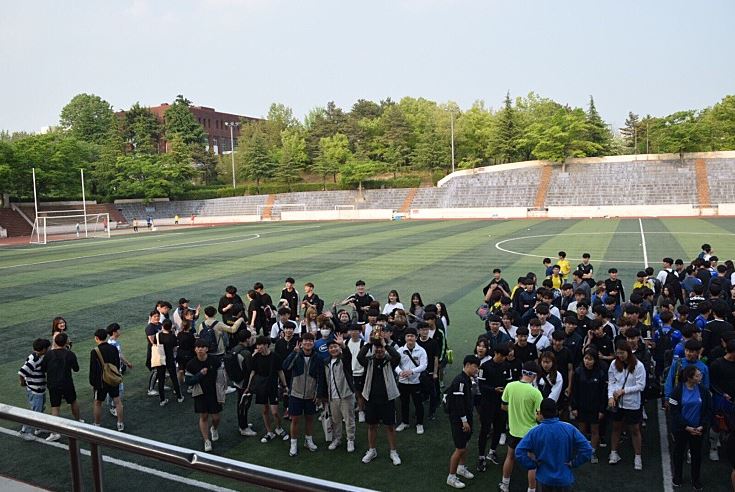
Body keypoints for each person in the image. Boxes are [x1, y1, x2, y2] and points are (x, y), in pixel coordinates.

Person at [515, 398, 593, 492]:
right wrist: (574, 463)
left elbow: (519, 451)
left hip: (544, 479)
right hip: (564, 479)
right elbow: (587, 450)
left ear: (541, 413)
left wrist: (532, 465)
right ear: (556, 411)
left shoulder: (535, 432)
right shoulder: (569, 428)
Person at [498, 361, 544, 492]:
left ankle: (505, 485)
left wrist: (514, 410)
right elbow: (539, 417)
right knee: (532, 462)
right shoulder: (536, 393)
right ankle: (531, 490)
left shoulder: (510, 386)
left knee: (510, 457)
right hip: (530, 433)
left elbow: (503, 406)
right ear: (534, 376)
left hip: (514, 431)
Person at [357, 338, 402, 466]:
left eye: (381, 347)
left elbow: (397, 356)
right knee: (372, 425)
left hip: (388, 398)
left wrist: (385, 344)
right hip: (371, 399)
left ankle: (393, 452)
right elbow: (360, 356)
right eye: (376, 347)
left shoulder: (390, 361)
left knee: (390, 426)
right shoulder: (369, 361)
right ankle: (372, 450)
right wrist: (370, 343)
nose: (379, 350)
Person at [668, 365, 711, 491]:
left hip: (698, 429)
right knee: (678, 453)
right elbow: (674, 412)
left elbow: (708, 410)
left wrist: (702, 425)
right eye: (697, 375)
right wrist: (686, 426)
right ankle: (677, 476)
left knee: (697, 455)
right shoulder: (677, 391)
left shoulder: (704, 391)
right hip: (682, 430)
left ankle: (696, 479)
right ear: (689, 378)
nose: (701, 377)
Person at [607, 340, 646, 469]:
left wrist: (624, 391)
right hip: (618, 402)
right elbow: (611, 382)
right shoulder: (614, 364)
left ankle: (638, 456)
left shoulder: (638, 366)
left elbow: (641, 385)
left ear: (628, 352)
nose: (620, 356)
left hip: (632, 403)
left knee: (635, 429)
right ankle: (613, 452)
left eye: (622, 353)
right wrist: (610, 397)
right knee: (616, 427)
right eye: (618, 353)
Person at [283, 332, 321, 456]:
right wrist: (294, 353)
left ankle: (308, 440)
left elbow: (321, 377)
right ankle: (293, 444)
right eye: (305, 341)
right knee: (295, 420)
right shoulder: (296, 355)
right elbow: (286, 367)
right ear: (301, 343)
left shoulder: (317, 357)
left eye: (310, 341)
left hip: (311, 395)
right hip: (295, 393)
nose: (308, 343)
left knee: (310, 419)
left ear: (313, 343)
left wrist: (318, 393)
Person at [445, 355, 480, 489]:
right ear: (468, 365)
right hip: (459, 419)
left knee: (464, 445)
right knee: (460, 448)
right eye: (475, 367)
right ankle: (451, 477)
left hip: (465, 417)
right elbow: (458, 403)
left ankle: (461, 468)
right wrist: (464, 421)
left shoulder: (467, 379)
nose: (477, 370)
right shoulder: (460, 381)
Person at [317, 334, 357, 452]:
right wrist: (323, 395)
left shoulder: (344, 359)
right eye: (331, 347)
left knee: (349, 419)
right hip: (332, 396)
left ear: (339, 348)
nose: (333, 349)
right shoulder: (326, 362)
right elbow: (323, 380)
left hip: (346, 394)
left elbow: (348, 356)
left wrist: (343, 345)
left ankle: (350, 439)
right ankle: (337, 439)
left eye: (335, 347)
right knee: (335, 420)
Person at [247, 336, 288, 443]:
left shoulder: (275, 356)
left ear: (266, 345)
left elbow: (280, 371)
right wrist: (248, 386)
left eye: (260, 345)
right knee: (265, 410)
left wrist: (285, 385)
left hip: (273, 386)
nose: (258, 347)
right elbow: (252, 372)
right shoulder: (256, 357)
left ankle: (279, 428)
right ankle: (269, 432)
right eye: (257, 345)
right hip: (261, 386)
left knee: (274, 412)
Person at [42, 332, 81, 441]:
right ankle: (78, 421)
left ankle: (55, 432)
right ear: (66, 342)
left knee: (55, 406)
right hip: (67, 382)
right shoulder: (70, 354)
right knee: (73, 401)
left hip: (53, 384)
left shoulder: (49, 354)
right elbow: (76, 369)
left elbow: (43, 369)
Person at [185, 340, 223, 452]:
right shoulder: (191, 364)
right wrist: (200, 374)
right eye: (197, 347)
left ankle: (214, 428)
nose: (200, 349)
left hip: (214, 392)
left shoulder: (214, 360)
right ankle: (206, 440)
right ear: (195, 349)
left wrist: (222, 389)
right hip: (200, 393)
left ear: (207, 349)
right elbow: (188, 381)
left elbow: (221, 375)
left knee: (216, 417)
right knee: (204, 416)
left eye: (202, 347)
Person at [477, 342, 509, 470]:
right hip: (487, 403)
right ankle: (481, 457)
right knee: (485, 430)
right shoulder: (484, 366)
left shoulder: (506, 366)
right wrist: (493, 389)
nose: (504, 358)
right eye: (502, 356)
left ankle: (492, 451)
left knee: (499, 428)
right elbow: (481, 386)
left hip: (501, 404)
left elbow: (509, 383)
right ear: (496, 354)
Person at [571, 348, 607, 463]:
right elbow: (574, 391)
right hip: (581, 406)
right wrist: (574, 407)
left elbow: (603, 393)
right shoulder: (578, 372)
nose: (587, 361)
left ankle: (592, 451)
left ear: (595, 360)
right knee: (581, 430)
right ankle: (582, 451)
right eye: (586, 358)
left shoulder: (600, 373)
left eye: (590, 359)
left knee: (594, 430)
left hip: (595, 407)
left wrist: (602, 409)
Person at [89, 328, 124, 431]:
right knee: (117, 401)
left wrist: (93, 382)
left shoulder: (95, 351)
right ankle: (120, 423)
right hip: (113, 379)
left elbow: (93, 369)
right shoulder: (113, 348)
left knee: (98, 402)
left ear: (96, 338)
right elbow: (117, 363)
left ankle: (97, 424)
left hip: (101, 382)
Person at [395, 327, 428, 434]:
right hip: (403, 381)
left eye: (412, 336)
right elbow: (395, 364)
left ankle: (419, 424)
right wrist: (400, 372)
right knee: (404, 403)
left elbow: (424, 365)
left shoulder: (421, 351)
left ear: (416, 337)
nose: (410, 338)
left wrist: (412, 371)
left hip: (416, 382)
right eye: (408, 336)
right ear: (405, 338)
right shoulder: (400, 350)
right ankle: (405, 422)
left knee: (418, 403)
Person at [18, 338, 51, 440]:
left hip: (39, 389)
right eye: (48, 348)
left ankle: (38, 427)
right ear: (43, 349)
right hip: (35, 390)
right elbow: (22, 372)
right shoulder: (34, 360)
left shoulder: (38, 356)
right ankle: (25, 431)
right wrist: (22, 382)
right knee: (34, 411)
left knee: (40, 409)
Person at [152, 319, 184, 406]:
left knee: (161, 379)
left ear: (162, 326)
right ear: (170, 327)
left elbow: (155, 344)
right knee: (174, 378)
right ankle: (179, 397)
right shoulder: (172, 336)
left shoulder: (158, 335)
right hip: (169, 359)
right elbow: (175, 348)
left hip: (160, 359)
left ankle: (162, 400)